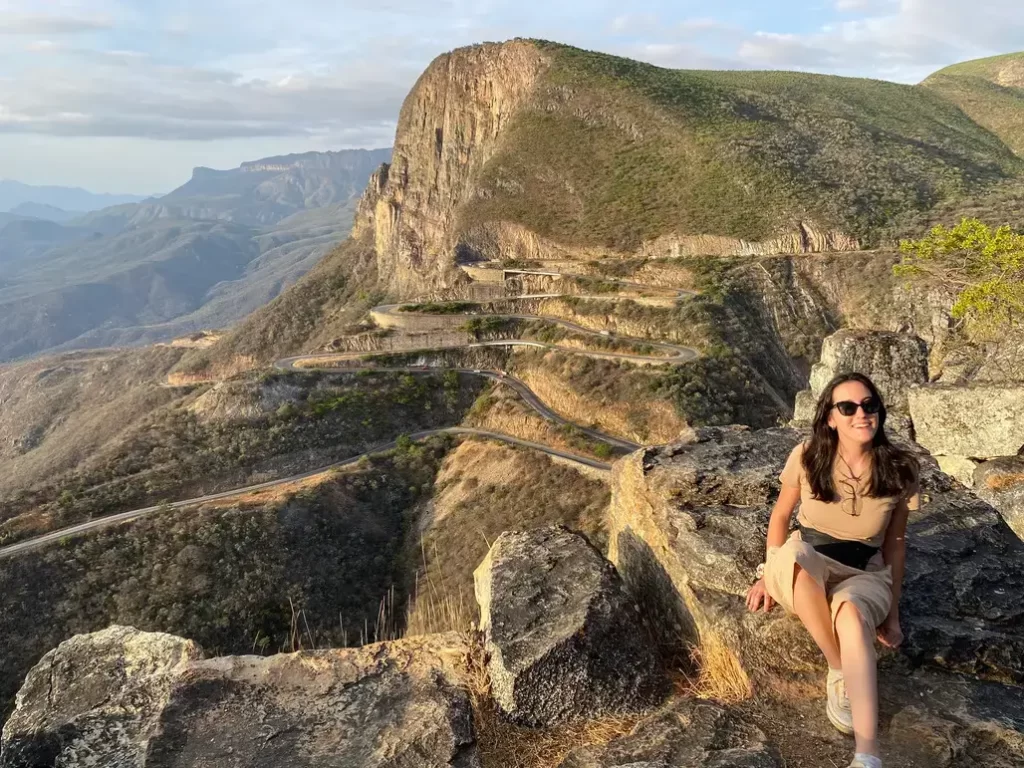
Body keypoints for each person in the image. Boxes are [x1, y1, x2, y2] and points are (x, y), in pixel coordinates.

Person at [745, 372, 920, 768]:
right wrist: (767, 571)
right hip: (810, 557)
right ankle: (839, 668)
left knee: (854, 617)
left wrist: (892, 614)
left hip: (865, 573)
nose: (862, 413)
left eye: (869, 405)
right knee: (795, 559)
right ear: (830, 417)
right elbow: (780, 518)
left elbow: (894, 544)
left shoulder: (900, 468)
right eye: (848, 407)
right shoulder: (807, 456)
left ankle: (868, 754)